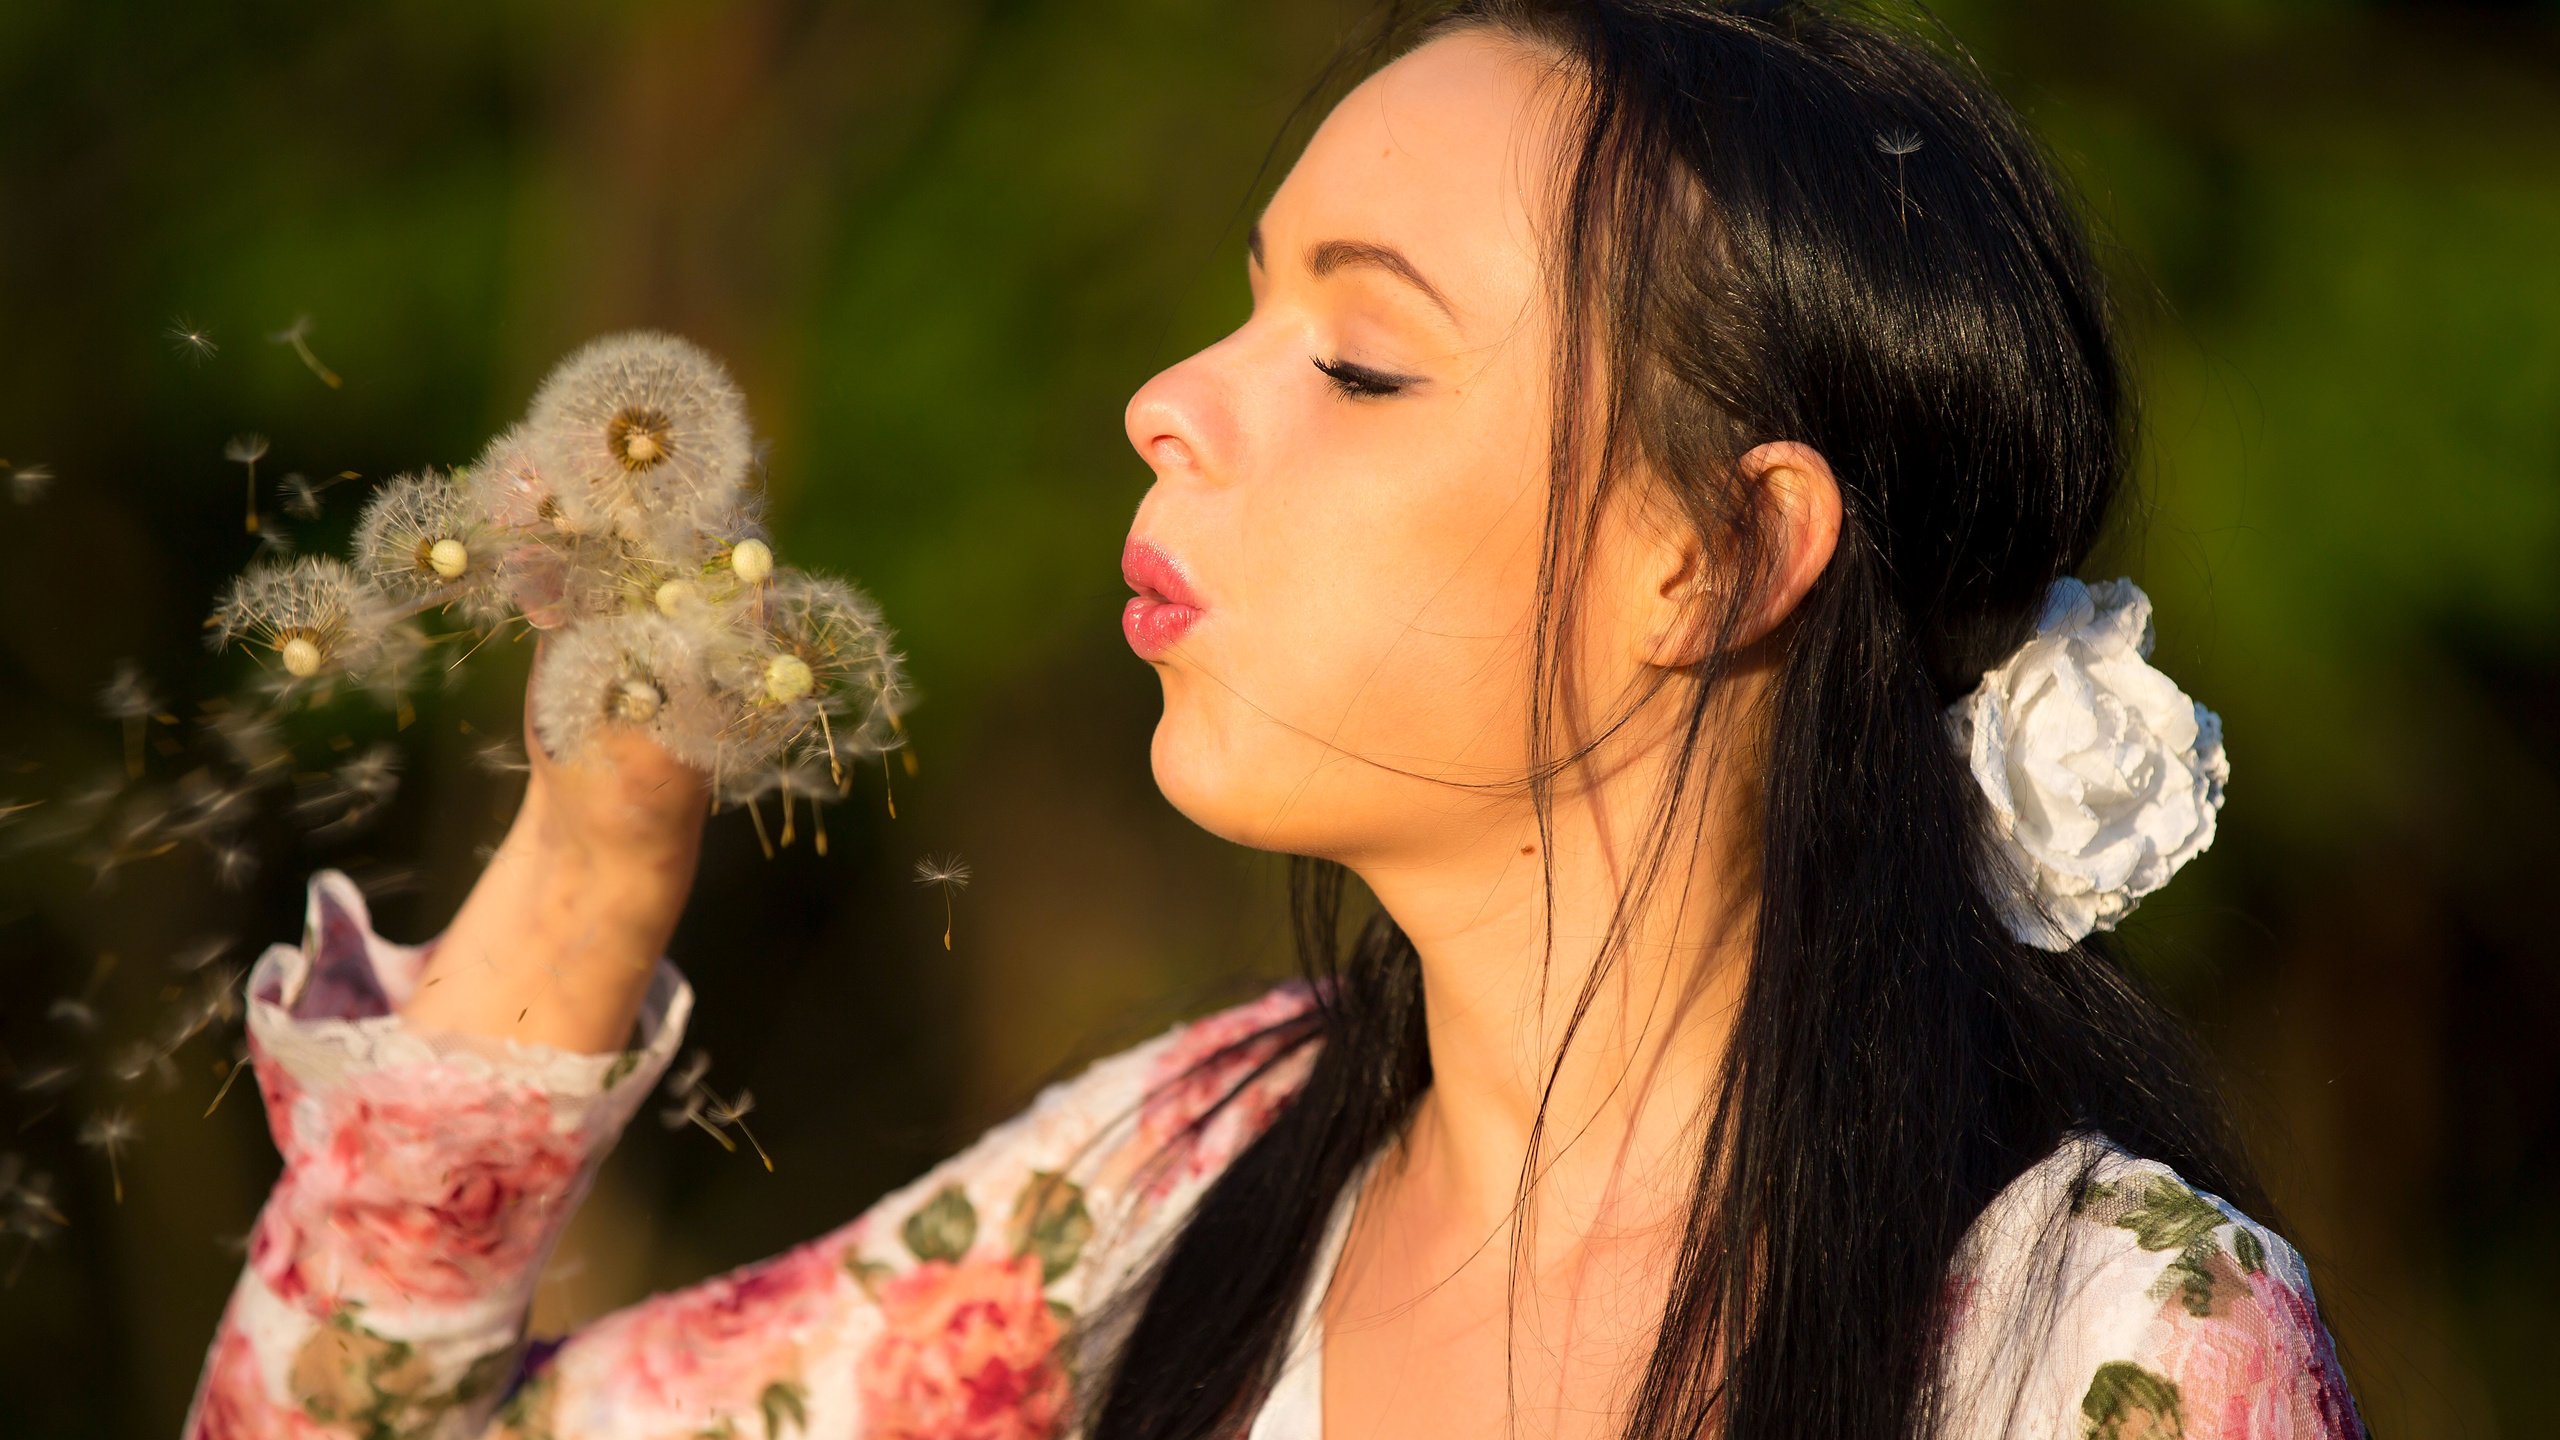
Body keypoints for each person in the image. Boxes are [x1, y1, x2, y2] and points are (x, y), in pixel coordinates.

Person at [183, 3, 2367, 1438]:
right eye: (1245, 303)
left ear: (1709, 555)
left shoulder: (2108, 1344)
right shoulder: (1171, 1190)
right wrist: (591, 862)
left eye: (1358, 360)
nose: (1167, 400)